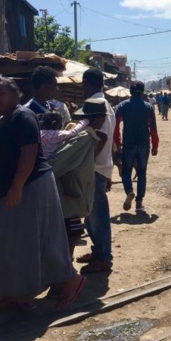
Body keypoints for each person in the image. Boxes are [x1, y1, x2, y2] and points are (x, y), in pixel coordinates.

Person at [0, 75, 86, 311]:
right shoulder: (3, 120)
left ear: (14, 94)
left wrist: (17, 186)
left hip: (31, 187)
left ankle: (72, 280)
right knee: (12, 244)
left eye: (2, 93)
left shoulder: (23, 116)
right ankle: (16, 293)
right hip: (9, 190)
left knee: (42, 240)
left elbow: (29, 153)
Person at [48, 99, 110, 261]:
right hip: (70, 196)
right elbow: (57, 162)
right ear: (98, 119)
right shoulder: (83, 137)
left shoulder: (78, 132)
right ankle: (66, 275)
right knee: (70, 234)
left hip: (72, 193)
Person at [76, 68, 116, 274]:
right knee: (91, 217)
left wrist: (85, 162)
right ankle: (98, 251)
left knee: (97, 217)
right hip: (101, 167)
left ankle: (103, 257)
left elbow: (101, 138)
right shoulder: (106, 103)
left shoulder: (95, 105)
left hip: (95, 168)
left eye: (82, 85)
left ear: (86, 83)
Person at [114, 81, 160, 214]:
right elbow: (153, 128)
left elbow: (115, 126)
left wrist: (117, 142)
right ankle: (139, 203)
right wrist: (155, 145)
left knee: (126, 172)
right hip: (144, 144)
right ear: (143, 92)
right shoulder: (148, 107)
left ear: (130, 92)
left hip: (128, 144)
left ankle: (129, 191)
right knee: (142, 173)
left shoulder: (122, 106)